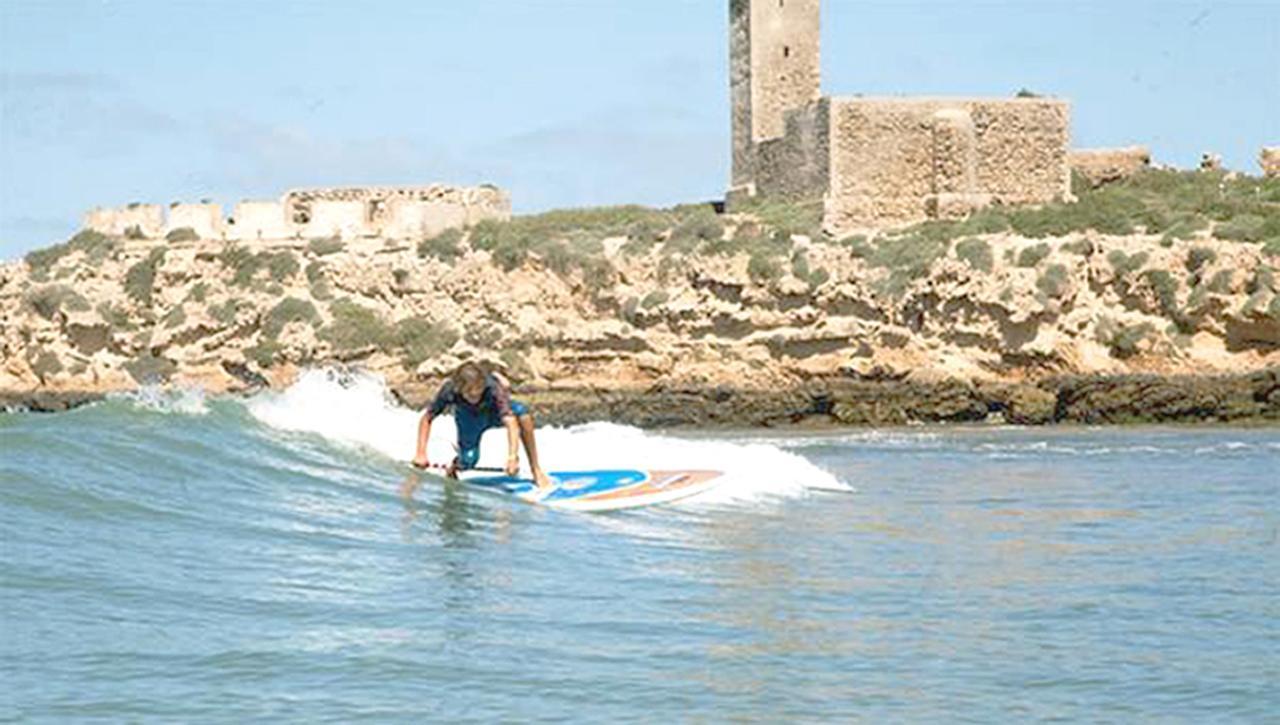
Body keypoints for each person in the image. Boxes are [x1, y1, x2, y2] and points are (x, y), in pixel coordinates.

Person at [412, 361, 553, 492]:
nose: (475, 397)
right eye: (469, 394)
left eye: (478, 392)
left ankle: (536, 469)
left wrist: (512, 457)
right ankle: (455, 465)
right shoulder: (449, 390)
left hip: (493, 412)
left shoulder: (492, 387)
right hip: (468, 418)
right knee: (469, 461)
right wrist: (421, 453)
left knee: (523, 414)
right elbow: (427, 418)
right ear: (459, 388)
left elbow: (510, 422)